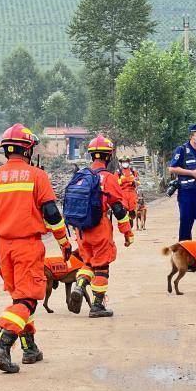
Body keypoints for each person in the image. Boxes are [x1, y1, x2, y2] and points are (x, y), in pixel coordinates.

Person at [0, 123, 72, 373]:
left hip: (3, 247)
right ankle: (2, 346)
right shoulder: (37, 175)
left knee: (19, 298)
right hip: (26, 245)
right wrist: (64, 242)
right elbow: (52, 213)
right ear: (28, 150)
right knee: (29, 300)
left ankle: (29, 348)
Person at [68, 135, 134, 318]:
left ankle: (80, 285)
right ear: (109, 156)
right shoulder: (109, 178)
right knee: (102, 266)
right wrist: (127, 232)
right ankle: (97, 306)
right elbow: (119, 210)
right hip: (100, 228)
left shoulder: (81, 176)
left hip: (81, 230)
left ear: (91, 156)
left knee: (88, 262)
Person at [168, 125, 196, 241]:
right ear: (191, 136)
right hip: (186, 195)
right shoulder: (182, 150)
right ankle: (184, 255)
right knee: (185, 228)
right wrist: (192, 173)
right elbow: (172, 168)